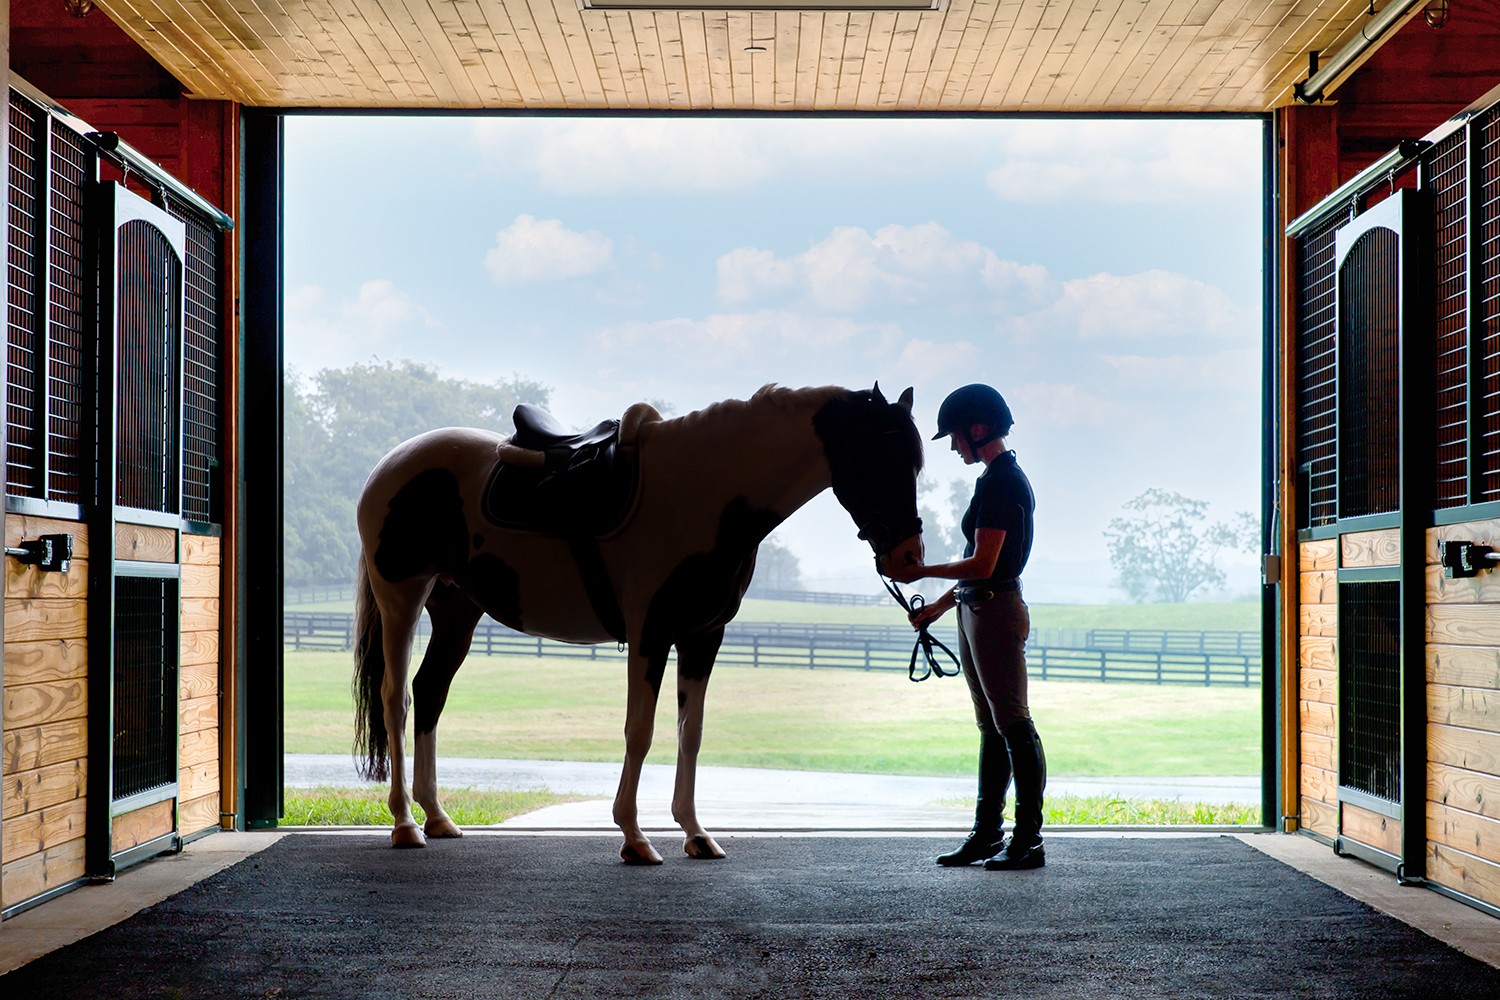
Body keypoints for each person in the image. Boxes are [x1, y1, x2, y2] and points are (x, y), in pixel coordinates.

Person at [882, 383, 1047, 871]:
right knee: (993, 726)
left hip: (993, 610)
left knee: (1013, 722)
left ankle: (1027, 840)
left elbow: (984, 563)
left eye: (955, 437)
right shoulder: (995, 479)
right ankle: (988, 834)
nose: (953, 447)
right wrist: (936, 606)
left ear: (977, 430)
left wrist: (919, 572)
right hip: (977, 607)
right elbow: (982, 571)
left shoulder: (1001, 483)